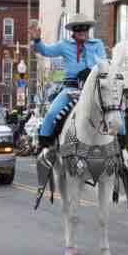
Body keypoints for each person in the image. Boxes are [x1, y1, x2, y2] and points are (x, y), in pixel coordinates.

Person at [29, 13, 106, 151]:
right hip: (71, 88)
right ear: (73, 31)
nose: (82, 32)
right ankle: (44, 145)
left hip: (93, 89)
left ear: (88, 30)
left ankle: (122, 151)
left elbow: (103, 64)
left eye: (84, 29)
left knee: (115, 113)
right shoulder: (64, 45)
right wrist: (37, 40)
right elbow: (46, 51)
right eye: (78, 29)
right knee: (52, 113)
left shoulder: (98, 44)